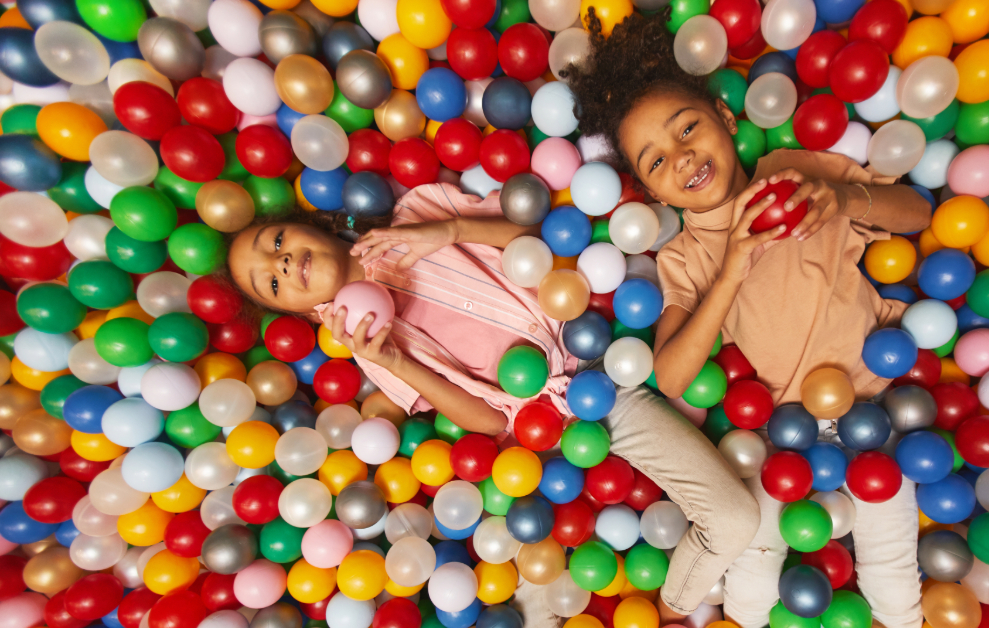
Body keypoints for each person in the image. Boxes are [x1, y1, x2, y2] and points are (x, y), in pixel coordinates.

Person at [224, 183, 763, 626]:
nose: (283, 259)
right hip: (559, 424)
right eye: (270, 280)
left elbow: (544, 233)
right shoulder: (371, 352)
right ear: (302, 312)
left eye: (276, 240)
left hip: (615, 337)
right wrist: (394, 360)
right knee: (539, 556)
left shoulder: (418, 207)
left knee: (733, 518)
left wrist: (448, 231)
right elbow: (486, 422)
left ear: (307, 223)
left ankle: (671, 610)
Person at [561, 10, 933, 628]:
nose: (681, 158)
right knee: (751, 584)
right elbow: (674, 377)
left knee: (895, 583)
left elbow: (916, 212)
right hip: (780, 435)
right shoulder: (684, 257)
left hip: (875, 414)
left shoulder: (799, 175)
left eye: (688, 129)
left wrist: (841, 198)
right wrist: (731, 265)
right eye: (655, 163)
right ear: (654, 196)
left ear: (727, 120)